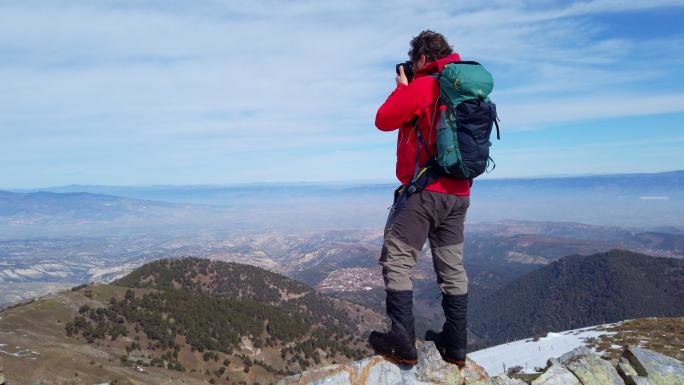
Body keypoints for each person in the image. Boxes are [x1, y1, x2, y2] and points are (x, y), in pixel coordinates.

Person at [368, 30, 470, 368]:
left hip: (425, 193)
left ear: (422, 58)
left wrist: (403, 87)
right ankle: (456, 346)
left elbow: (383, 120)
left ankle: (402, 343)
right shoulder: (461, 89)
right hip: (459, 193)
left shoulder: (424, 86)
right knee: (451, 266)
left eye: (414, 61)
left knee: (397, 260)